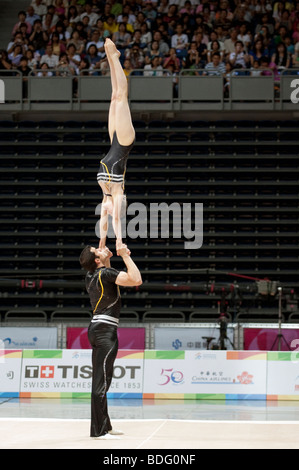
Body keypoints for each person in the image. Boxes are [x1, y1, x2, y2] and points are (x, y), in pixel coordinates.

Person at [79, 243, 142, 439]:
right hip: (105, 331)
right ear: (97, 260)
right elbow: (136, 279)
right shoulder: (105, 274)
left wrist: (105, 256)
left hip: (97, 328)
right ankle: (98, 431)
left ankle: (104, 425)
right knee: (102, 382)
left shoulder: (92, 275)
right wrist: (125, 256)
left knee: (103, 380)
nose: (102, 247)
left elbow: (104, 267)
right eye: (97, 250)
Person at [97, 38, 135, 253]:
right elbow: (116, 223)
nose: (108, 212)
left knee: (114, 97)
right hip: (124, 142)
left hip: (114, 140)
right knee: (121, 97)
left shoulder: (105, 197)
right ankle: (113, 57)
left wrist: (103, 243)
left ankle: (114, 59)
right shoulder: (118, 191)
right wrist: (119, 241)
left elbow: (104, 224)